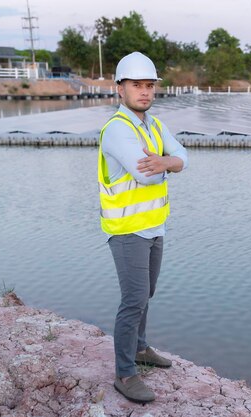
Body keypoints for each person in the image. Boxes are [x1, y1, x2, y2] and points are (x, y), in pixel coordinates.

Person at [98, 51, 188, 403]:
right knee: (133, 299)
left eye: (149, 85)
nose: (145, 91)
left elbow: (184, 155)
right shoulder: (117, 130)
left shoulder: (153, 125)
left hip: (154, 225)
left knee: (146, 293)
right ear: (119, 89)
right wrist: (172, 164)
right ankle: (125, 372)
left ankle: (139, 348)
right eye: (137, 85)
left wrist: (167, 160)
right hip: (126, 230)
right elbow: (143, 174)